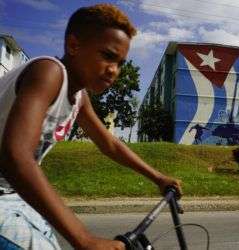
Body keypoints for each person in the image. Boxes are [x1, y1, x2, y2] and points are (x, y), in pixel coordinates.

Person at [0, 4, 182, 250]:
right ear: (74, 45)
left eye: (120, 62)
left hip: (11, 196)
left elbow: (109, 143)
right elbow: (16, 155)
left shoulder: (79, 97)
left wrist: (158, 178)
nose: (114, 70)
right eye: (108, 56)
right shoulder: (49, 72)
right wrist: (84, 240)